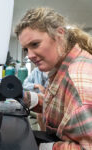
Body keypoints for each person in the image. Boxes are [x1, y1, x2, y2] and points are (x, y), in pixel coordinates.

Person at [15, 7, 92, 150]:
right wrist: (26, 98)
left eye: (35, 44)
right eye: (26, 49)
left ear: (59, 34)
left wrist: (45, 147)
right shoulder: (62, 65)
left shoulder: (78, 82)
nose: (29, 55)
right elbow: (64, 108)